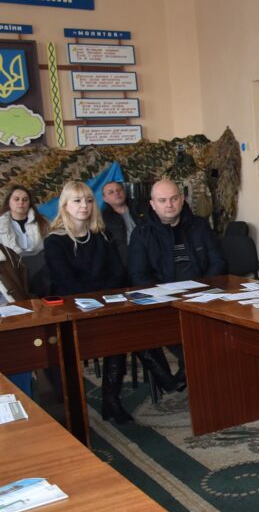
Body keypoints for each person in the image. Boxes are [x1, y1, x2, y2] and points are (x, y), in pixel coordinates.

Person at [43, 181, 133, 423]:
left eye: (89, 200)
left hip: (104, 305)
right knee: (72, 347)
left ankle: (111, 399)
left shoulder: (102, 235)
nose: (84, 205)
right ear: (65, 205)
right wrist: (100, 291)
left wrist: (100, 293)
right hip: (72, 311)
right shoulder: (55, 241)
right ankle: (74, 408)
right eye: (77, 201)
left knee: (123, 331)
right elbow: (67, 284)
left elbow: (118, 273)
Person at [128, 178, 227, 393]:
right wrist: (166, 296)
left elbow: (218, 261)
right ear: (153, 204)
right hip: (166, 303)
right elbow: (138, 276)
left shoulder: (200, 226)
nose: (169, 205)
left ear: (182, 199)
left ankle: (191, 375)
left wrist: (203, 289)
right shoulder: (142, 234)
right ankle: (192, 375)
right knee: (187, 336)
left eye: (174, 199)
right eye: (162, 200)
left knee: (222, 332)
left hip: (202, 295)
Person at [100, 180, 143, 265]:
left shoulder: (139, 205)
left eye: (119, 190)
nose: (117, 193)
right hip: (125, 259)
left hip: (148, 249)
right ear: (105, 199)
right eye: (111, 192)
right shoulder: (104, 218)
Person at [0, 184, 49, 256]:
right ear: (8, 202)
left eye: (25, 200)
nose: (21, 202)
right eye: (16, 199)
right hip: (14, 262)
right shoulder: (1, 225)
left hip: (43, 260)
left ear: (29, 203)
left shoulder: (42, 220)